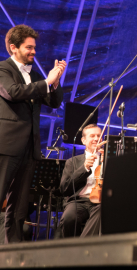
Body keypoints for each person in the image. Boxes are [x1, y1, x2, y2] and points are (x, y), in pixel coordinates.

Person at [0, 24, 66, 243]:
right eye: (28, 47)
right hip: (7, 147)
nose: (34, 52)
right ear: (13, 48)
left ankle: (13, 253)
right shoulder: (3, 69)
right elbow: (13, 93)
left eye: (34, 47)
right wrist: (46, 82)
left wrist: (55, 82)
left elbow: (54, 103)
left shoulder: (36, 75)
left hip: (30, 149)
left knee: (19, 207)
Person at [60, 124, 103, 237]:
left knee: (102, 212)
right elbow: (65, 188)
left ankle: (81, 248)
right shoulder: (72, 162)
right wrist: (84, 168)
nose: (96, 139)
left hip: (100, 202)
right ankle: (72, 248)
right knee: (69, 218)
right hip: (78, 201)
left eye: (99, 136)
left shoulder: (108, 159)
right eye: (92, 136)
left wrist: (107, 164)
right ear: (83, 140)